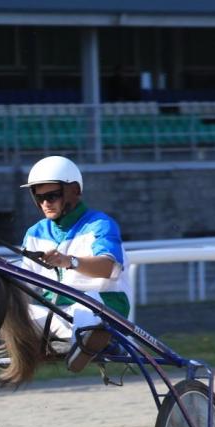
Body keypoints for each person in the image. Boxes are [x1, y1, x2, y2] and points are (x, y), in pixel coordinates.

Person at [19, 155, 132, 372]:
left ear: (74, 191)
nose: (45, 204)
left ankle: (102, 340)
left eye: (52, 196)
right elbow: (24, 284)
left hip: (104, 308)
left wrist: (69, 261)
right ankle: (73, 342)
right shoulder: (34, 233)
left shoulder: (100, 225)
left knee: (85, 305)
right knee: (8, 310)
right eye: (39, 197)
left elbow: (108, 267)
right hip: (58, 313)